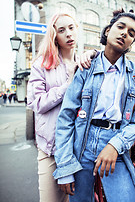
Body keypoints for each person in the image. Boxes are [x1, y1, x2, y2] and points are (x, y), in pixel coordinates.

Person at [53, 9, 135, 202]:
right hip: (82, 143)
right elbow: (66, 118)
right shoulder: (86, 68)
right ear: (107, 31)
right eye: (120, 27)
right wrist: (64, 167)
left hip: (116, 143)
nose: (124, 33)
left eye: (131, 33)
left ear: (132, 43)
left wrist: (115, 145)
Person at [27, 12, 96, 202]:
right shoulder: (41, 64)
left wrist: (93, 53)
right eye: (62, 30)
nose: (68, 34)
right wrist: (69, 86)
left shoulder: (85, 64)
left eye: (72, 28)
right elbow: (36, 103)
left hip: (79, 149)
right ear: (54, 35)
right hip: (50, 149)